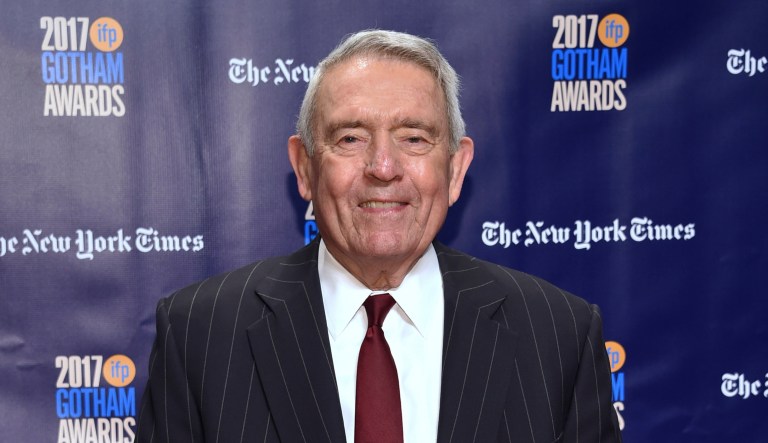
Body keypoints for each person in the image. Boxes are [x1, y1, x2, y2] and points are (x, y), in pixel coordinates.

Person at [137, 29, 622, 443]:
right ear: (305, 168)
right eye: (351, 138)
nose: (383, 168)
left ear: (455, 170)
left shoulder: (559, 335)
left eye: (414, 137)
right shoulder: (198, 334)